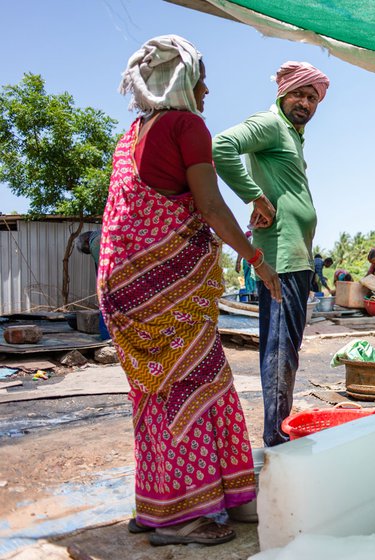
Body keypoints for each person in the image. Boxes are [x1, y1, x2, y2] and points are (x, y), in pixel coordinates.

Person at [98, 35, 282, 546]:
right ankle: (180, 517)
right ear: (182, 81)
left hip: (125, 288)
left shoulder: (129, 137)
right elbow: (210, 206)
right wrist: (257, 261)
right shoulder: (187, 126)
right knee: (187, 388)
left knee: (168, 390)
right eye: (201, 77)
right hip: (164, 290)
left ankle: (207, 498)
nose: (207, 88)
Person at [213, 60, 329, 447]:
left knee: (288, 350)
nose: (306, 103)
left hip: (295, 257)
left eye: (313, 98)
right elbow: (222, 146)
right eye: (299, 93)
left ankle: (277, 428)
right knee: (280, 350)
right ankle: (275, 436)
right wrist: (254, 197)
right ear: (283, 93)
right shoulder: (269, 123)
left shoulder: (292, 134)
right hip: (279, 256)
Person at [234, 231, 257, 299]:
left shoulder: (263, 233)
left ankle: (256, 294)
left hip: (259, 259)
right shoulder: (248, 234)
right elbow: (242, 247)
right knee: (250, 281)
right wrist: (238, 262)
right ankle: (252, 296)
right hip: (248, 260)